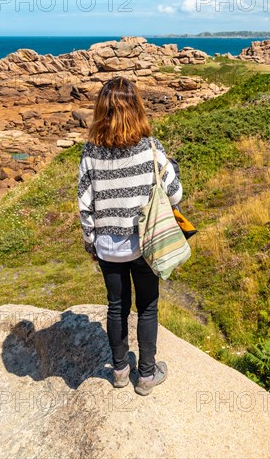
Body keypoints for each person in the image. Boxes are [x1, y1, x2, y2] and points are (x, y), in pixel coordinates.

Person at [77, 76, 183, 396]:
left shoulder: (91, 152)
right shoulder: (151, 148)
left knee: (116, 307)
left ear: (101, 110)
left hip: (108, 246)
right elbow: (175, 195)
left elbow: (85, 205)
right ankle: (147, 376)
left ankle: (121, 370)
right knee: (147, 308)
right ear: (137, 108)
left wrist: (90, 243)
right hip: (145, 245)